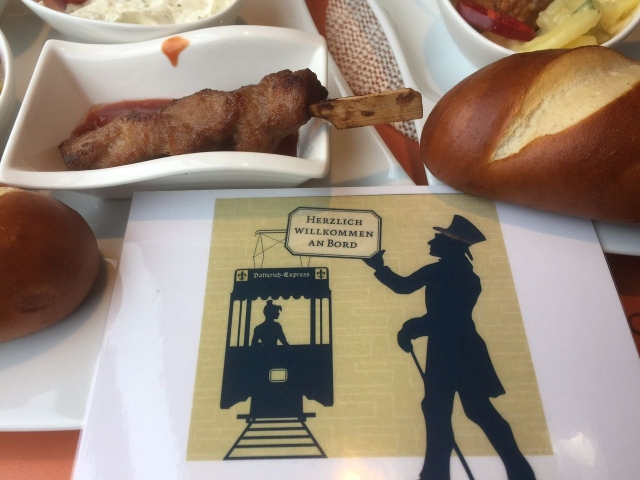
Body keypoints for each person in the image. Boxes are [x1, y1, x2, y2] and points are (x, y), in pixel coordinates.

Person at [363, 215, 535, 480]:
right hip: (464, 347)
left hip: (450, 350)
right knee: (469, 409)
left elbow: (434, 309)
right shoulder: (465, 275)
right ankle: (517, 471)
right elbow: (437, 309)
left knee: (441, 409)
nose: (431, 241)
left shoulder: (442, 271)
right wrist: (413, 326)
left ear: (451, 245)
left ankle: (436, 473)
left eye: (438, 238)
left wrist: (411, 327)